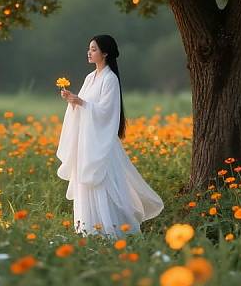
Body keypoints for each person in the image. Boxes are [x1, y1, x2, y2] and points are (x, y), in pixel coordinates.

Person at [56, 34, 164, 240]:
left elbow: (107, 112)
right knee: (86, 184)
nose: (89, 52)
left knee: (105, 185)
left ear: (105, 53)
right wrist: (72, 101)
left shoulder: (110, 79)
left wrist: (81, 103)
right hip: (86, 142)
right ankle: (88, 230)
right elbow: (84, 106)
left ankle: (112, 230)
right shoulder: (90, 78)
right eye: (89, 48)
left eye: (94, 49)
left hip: (101, 143)